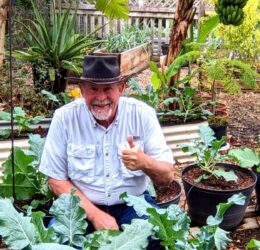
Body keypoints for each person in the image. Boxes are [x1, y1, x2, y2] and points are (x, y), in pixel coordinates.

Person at [39, 54, 174, 233]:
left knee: (158, 237)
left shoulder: (143, 115)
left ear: (121, 88)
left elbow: (168, 176)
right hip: (81, 207)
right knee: (57, 242)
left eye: (108, 89)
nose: (101, 97)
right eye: (93, 89)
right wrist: (95, 215)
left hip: (133, 205)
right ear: (82, 89)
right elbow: (56, 179)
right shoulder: (64, 118)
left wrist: (144, 162)